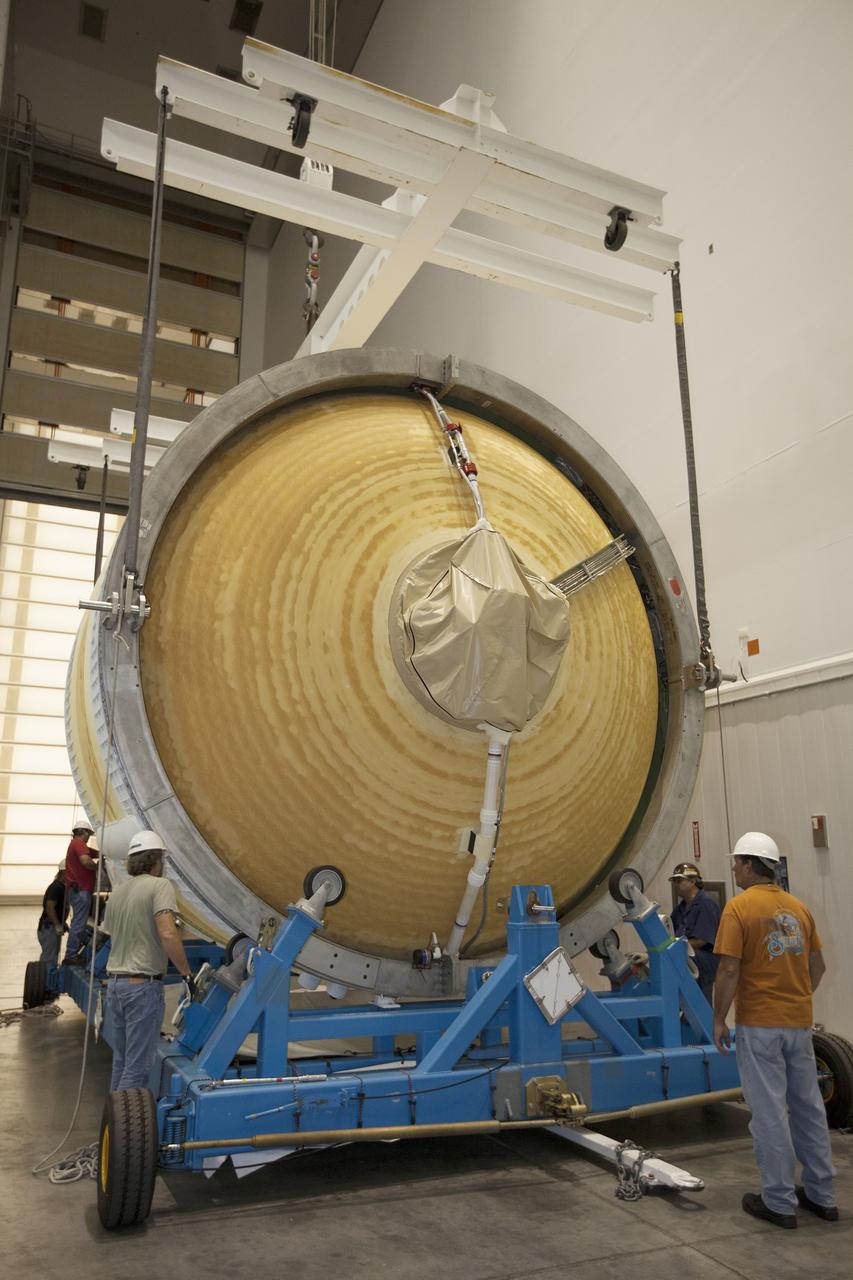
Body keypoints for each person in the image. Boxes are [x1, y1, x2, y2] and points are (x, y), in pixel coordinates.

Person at [713, 831, 837, 1228]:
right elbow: (817, 967)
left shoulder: (739, 908)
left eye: (736, 862)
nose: (733, 868)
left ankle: (780, 1202)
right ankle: (822, 1196)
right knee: (808, 1109)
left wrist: (719, 1018)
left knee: (768, 1113)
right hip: (798, 1025)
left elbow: (729, 969)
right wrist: (796, 997)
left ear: (750, 864)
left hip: (760, 1026)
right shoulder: (798, 908)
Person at [101, 829, 194, 1092]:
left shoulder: (118, 893)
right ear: (157, 861)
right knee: (138, 1067)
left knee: (122, 1062)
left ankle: (114, 1127)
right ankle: (126, 1131)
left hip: (116, 986)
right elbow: (166, 932)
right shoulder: (160, 886)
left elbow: (114, 931)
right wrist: (186, 973)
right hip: (142, 987)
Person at [669, 861, 721, 1001]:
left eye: (679, 881)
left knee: (700, 1002)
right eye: (674, 881)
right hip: (687, 958)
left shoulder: (706, 904)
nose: (676, 885)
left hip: (703, 962)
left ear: (692, 881)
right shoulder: (680, 909)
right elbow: (669, 937)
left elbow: (702, 940)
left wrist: (676, 947)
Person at [63, 822, 98, 964]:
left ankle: (74, 951)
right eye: (89, 835)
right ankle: (71, 955)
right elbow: (85, 860)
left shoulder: (75, 844)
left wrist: (103, 853)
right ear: (84, 832)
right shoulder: (79, 843)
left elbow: (92, 852)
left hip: (76, 890)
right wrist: (97, 868)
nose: (89, 838)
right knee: (79, 923)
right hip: (81, 890)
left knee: (79, 922)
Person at [36, 863, 69, 966]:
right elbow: (50, 907)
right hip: (49, 928)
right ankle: (44, 980)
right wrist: (57, 925)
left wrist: (62, 923)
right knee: (49, 959)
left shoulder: (61, 887)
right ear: (64, 873)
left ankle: (48, 978)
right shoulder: (56, 887)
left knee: (52, 956)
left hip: (50, 927)